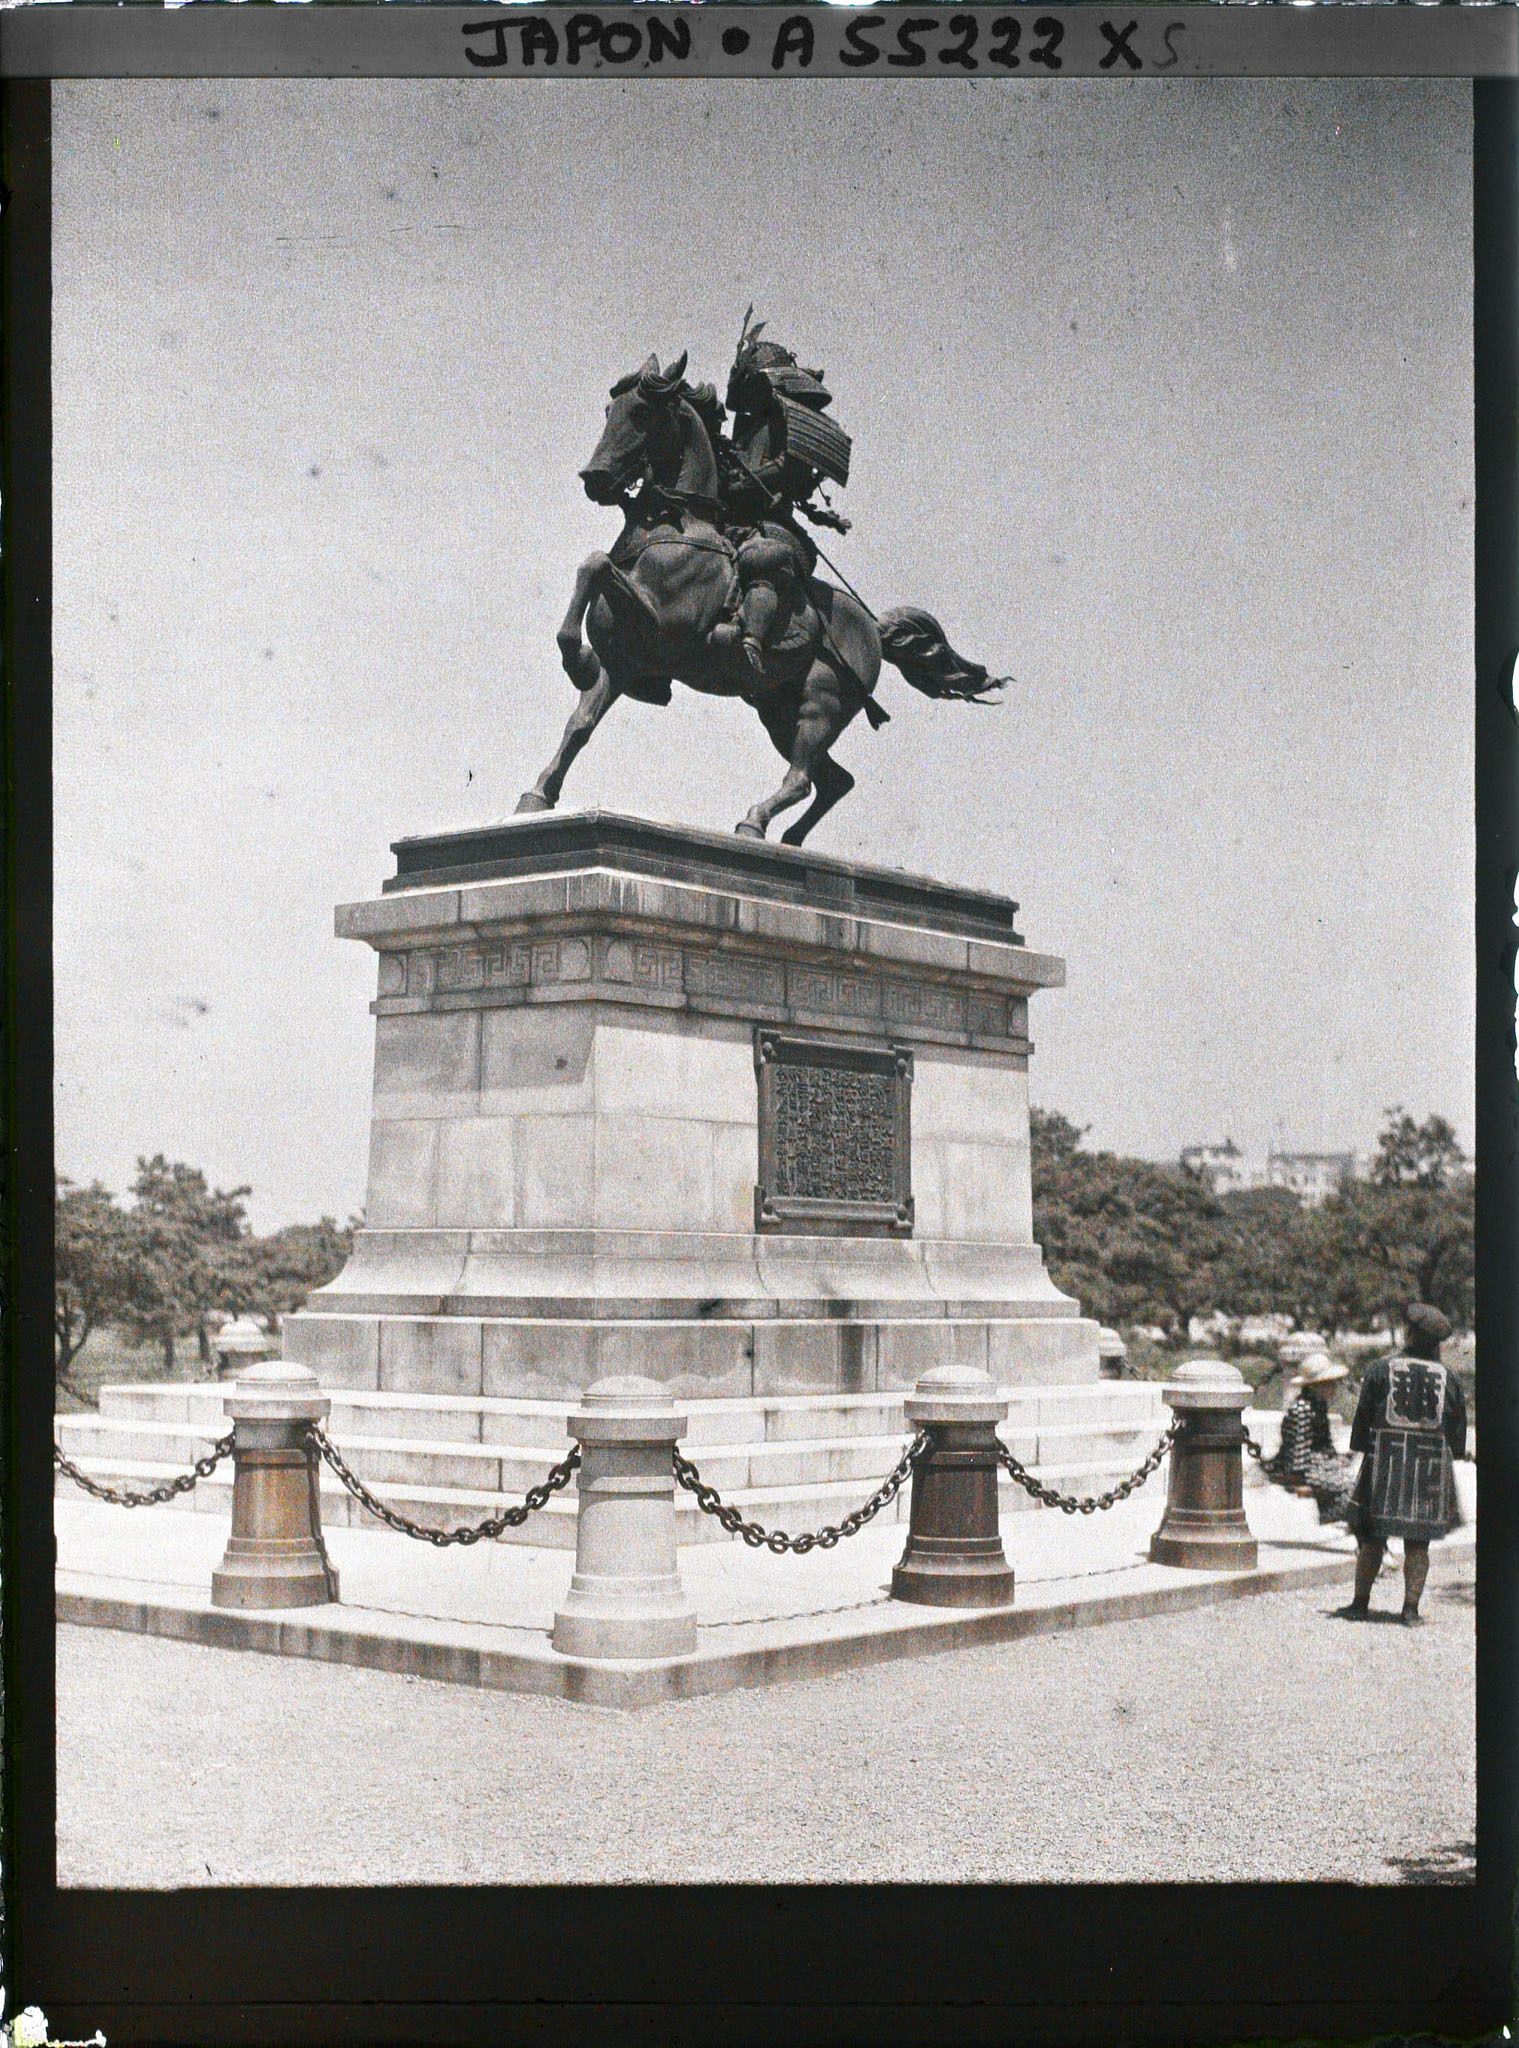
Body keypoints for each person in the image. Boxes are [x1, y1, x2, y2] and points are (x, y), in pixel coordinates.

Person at [710, 311, 853, 680]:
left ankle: (753, 641)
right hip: (734, 515)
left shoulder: (793, 423)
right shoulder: (746, 425)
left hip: (774, 522)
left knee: (763, 558)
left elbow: (787, 469)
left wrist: (751, 479)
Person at [1341, 1303, 1467, 1625]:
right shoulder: (1449, 1377)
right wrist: (1456, 1450)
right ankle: (1410, 1610)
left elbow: (1363, 1417)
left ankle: (1359, 1603)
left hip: (1386, 1461)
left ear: (1410, 1333)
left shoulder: (1380, 1369)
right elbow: (1456, 1427)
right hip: (1429, 1465)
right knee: (1418, 1542)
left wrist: (1359, 1449)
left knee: (1372, 1537)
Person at [1265, 1351, 1353, 1522]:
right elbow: (1297, 1447)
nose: (1334, 1388)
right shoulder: (1302, 1409)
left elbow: (1325, 1441)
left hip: (1318, 1460)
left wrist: (1336, 1458)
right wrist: (1299, 1478)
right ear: (1315, 1386)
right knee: (1348, 1486)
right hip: (1304, 1465)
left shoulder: (1318, 1406)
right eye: (1328, 1384)